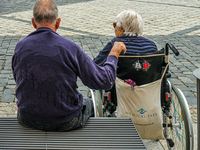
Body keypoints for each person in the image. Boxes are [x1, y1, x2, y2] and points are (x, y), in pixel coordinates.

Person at [12, 0, 126, 131]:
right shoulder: (70, 48)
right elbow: (105, 81)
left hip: (27, 118)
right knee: (88, 102)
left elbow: (19, 79)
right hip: (65, 121)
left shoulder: (20, 47)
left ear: (33, 22)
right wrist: (114, 53)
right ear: (58, 22)